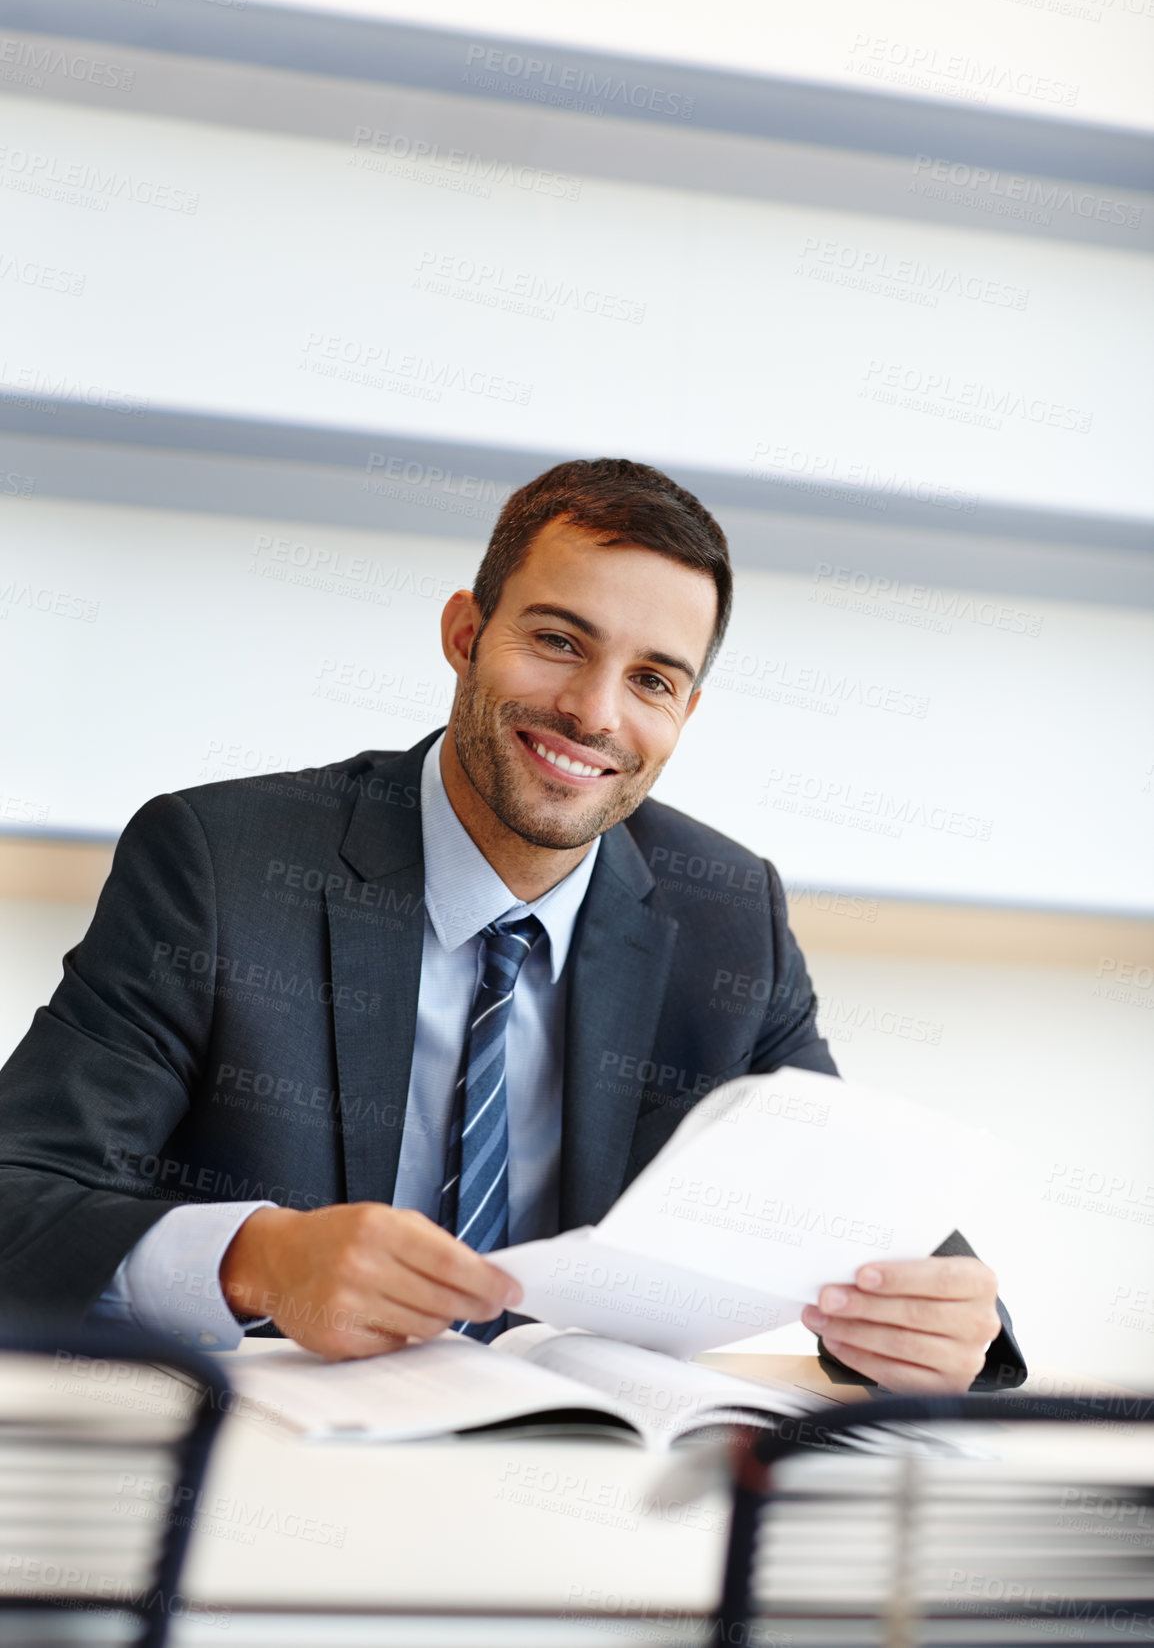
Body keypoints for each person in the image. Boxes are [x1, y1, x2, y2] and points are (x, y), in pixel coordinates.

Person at [0, 459, 1023, 1392]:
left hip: (579, 1487)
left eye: (650, 679)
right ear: (464, 632)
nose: (592, 711)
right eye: (555, 640)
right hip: (268, 1470)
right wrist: (254, 1258)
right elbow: (19, 1195)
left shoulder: (725, 913)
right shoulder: (220, 861)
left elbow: (846, 1205)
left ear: (683, 715)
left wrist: (926, 1317)